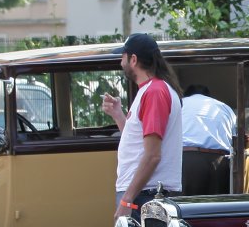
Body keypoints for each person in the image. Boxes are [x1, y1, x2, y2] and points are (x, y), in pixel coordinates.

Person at [102, 33, 183, 217]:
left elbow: (153, 155)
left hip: (145, 194)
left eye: (123, 57)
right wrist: (118, 115)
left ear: (133, 59)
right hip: (143, 192)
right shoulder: (151, 90)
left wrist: (127, 199)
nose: (120, 62)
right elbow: (139, 143)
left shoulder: (154, 92)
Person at [181, 83, 237, 196]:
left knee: (184, 203)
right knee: (217, 204)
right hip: (219, 161)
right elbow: (235, 137)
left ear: (186, 95)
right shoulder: (224, 107)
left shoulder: (179, 104)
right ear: (208, 96)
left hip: (187, 160)